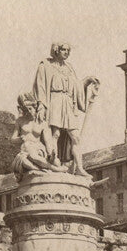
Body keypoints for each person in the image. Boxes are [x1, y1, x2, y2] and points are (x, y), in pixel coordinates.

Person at [32, 42, 99, 175]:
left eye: (68, 50)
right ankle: (54, 165)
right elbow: (40, 86)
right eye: (64, 49)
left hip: (68, 103)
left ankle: (79, 168)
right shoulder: (45, 65)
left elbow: (77, 87)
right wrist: (41, 105)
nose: (67, 52)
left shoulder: (69, 68)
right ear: (56, 50)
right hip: (55, 101)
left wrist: (87, 80)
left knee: (75, 137)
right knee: (55, 134)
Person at [12, 92, 62, 177]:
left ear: (35, 108)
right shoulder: (20, 121)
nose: (28, 111)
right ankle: (53, 169)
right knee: (26, 158)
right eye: (26, 109)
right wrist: (19, 139)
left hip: (39, 148)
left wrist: (51, 154)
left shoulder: (42, 123)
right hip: (26, 148)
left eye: (30, 108)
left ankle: (50, 167)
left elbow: (47, 142)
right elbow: (12, 139)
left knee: (56, 162)